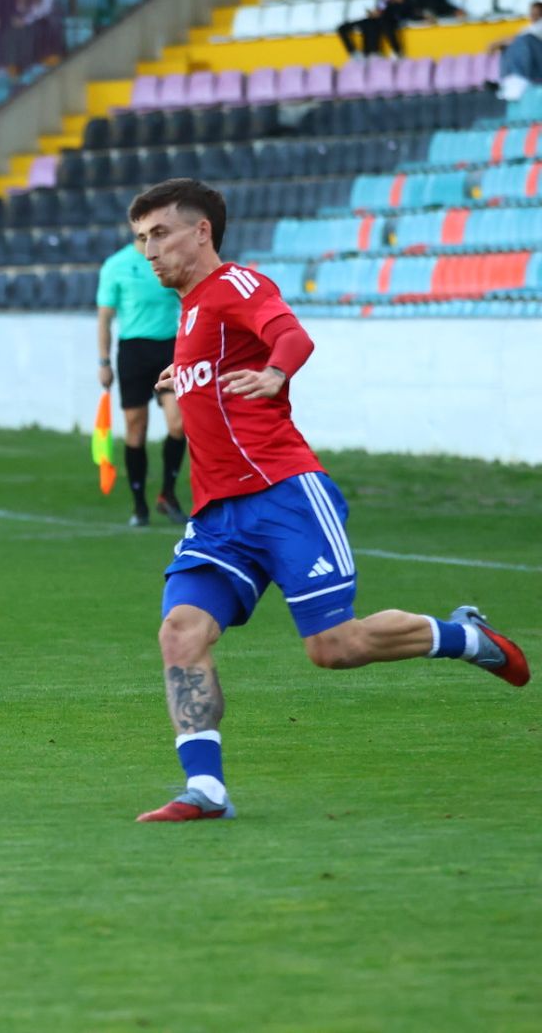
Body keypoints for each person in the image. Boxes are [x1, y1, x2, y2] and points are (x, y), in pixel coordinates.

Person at [125, 178, 530, 823]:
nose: (149, 250)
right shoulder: (192, 310)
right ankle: (205, 789)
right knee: (181, 632)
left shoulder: (235, 284)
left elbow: (290, 336)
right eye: (142, 238)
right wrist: (187, 376)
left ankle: (463, 636)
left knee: (334, 647)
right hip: (220, 515)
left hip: (284, 495)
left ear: (201, 232)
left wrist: (276, 373)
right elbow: (224, 366)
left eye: (160, 234)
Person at [96, 232, 188, 528]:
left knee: (178, 424)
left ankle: (167, 494)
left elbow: (189, 301)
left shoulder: (169, 259)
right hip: (133, 351)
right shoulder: (116, 265)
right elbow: (105, 317)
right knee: (136, 428)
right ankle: (139, 505)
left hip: (169, 349)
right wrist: (104, 362)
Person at [337, 0, 407, 59]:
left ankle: (390, 51)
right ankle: (356, 53)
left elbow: (398, 10)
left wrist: (393, 1)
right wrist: (373, 13)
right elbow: (379, 8)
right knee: (344, 27)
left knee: (377, 23)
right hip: (377, 18)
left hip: (388, 20)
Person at [488, 1, 542, 100]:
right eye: (532, 14)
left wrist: (495, 43)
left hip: (538, 65)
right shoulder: (528, 28)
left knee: (522, 41)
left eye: (537, 14)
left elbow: (516, 38)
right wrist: (501, 44)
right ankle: (507, 79)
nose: (534, 16)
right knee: (506, 47)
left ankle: (519, 78)